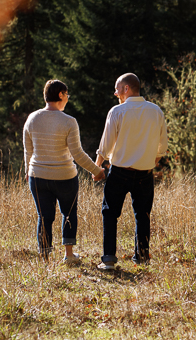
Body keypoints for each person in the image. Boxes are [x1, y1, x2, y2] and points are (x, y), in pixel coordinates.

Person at [23, 79, 105, 264]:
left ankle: (44, 257)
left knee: (44, 216)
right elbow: (77, 153)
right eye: (67, 94)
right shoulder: (69, 121)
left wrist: (28, 171)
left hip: (37, 177)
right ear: (60, 94)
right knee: (68, 213)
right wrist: (97, 170)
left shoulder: (32, 118)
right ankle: (68, 255)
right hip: (65, 177)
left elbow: (28, 151)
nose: (68, 98)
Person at [94, 73, 168, 270]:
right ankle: (142, 257)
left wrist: (97, 167)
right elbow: (162, 148)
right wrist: (148, 161)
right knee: (142, 215)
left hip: (119, 172)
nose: (115, 92)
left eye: (117, 88)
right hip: (145, 173)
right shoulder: (156, 111)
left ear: (126, 89)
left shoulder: (117, 111)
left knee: (110, 214)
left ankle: (109, 258)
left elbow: (105, 144)